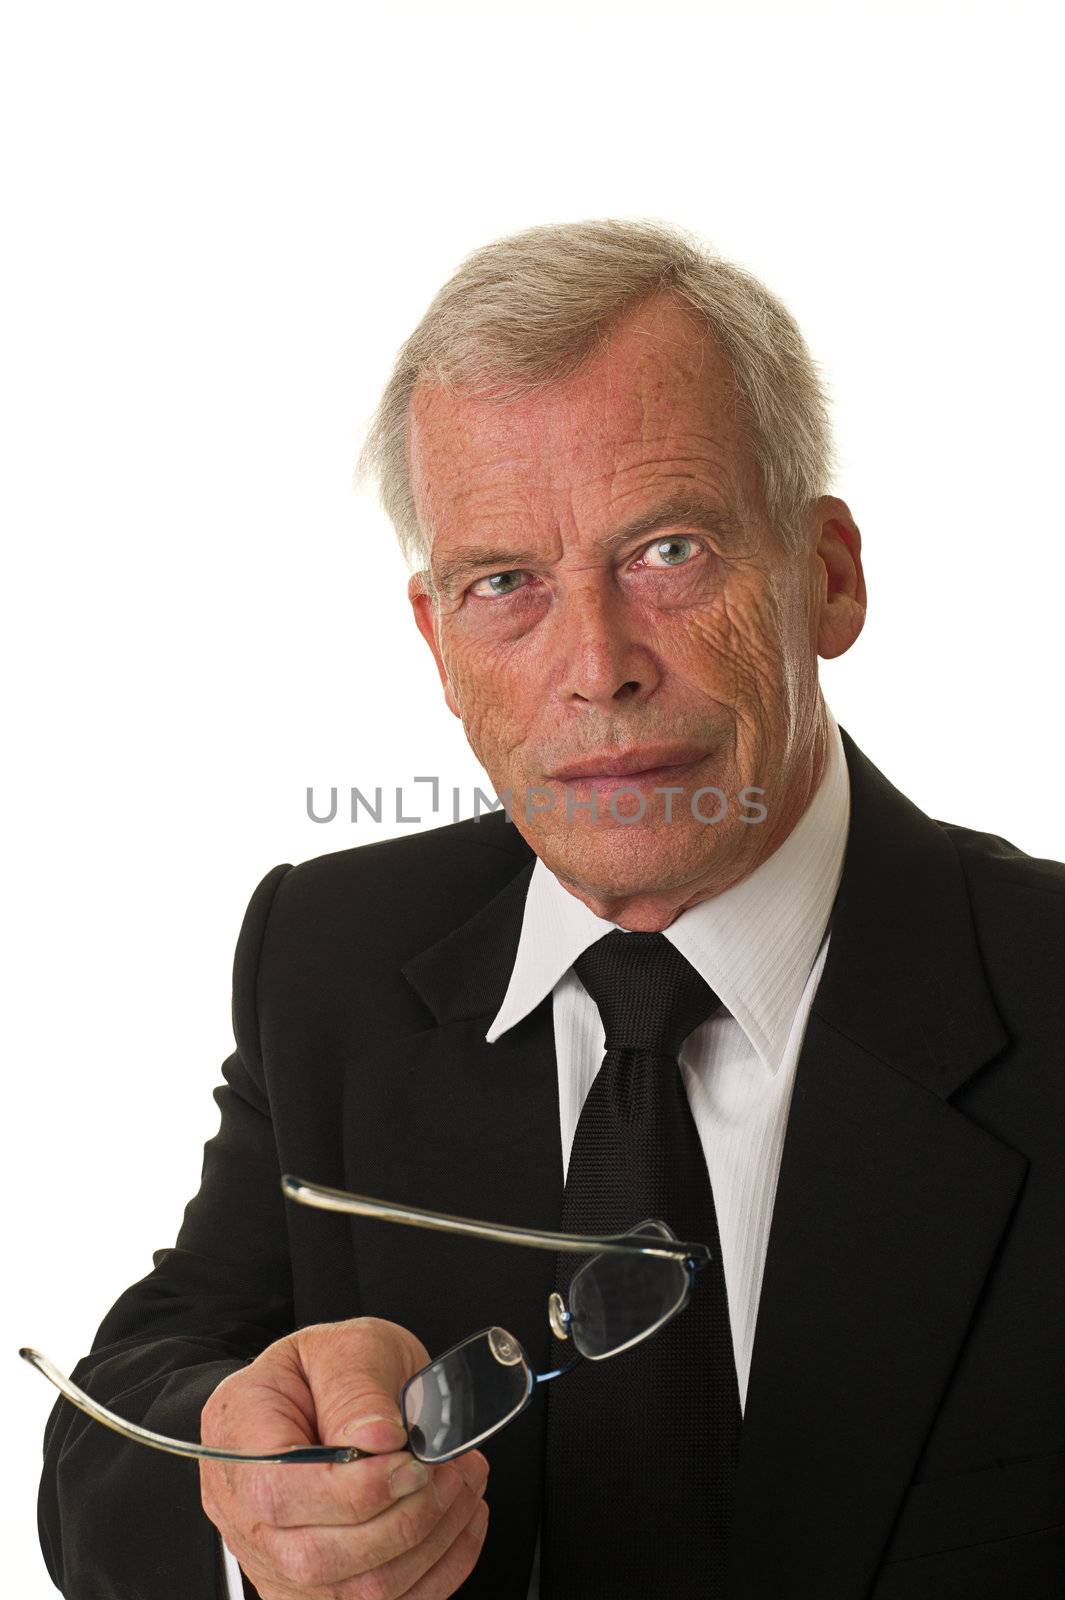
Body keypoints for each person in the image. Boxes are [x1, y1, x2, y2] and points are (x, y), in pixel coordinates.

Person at [36, 220, 1065, 1600]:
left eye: (669, 551)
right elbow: (131, 1408)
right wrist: (252, 1506)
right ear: (438, 646)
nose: (596, 666)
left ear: (826, 575)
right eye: (504, 585)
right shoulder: (330, 959)